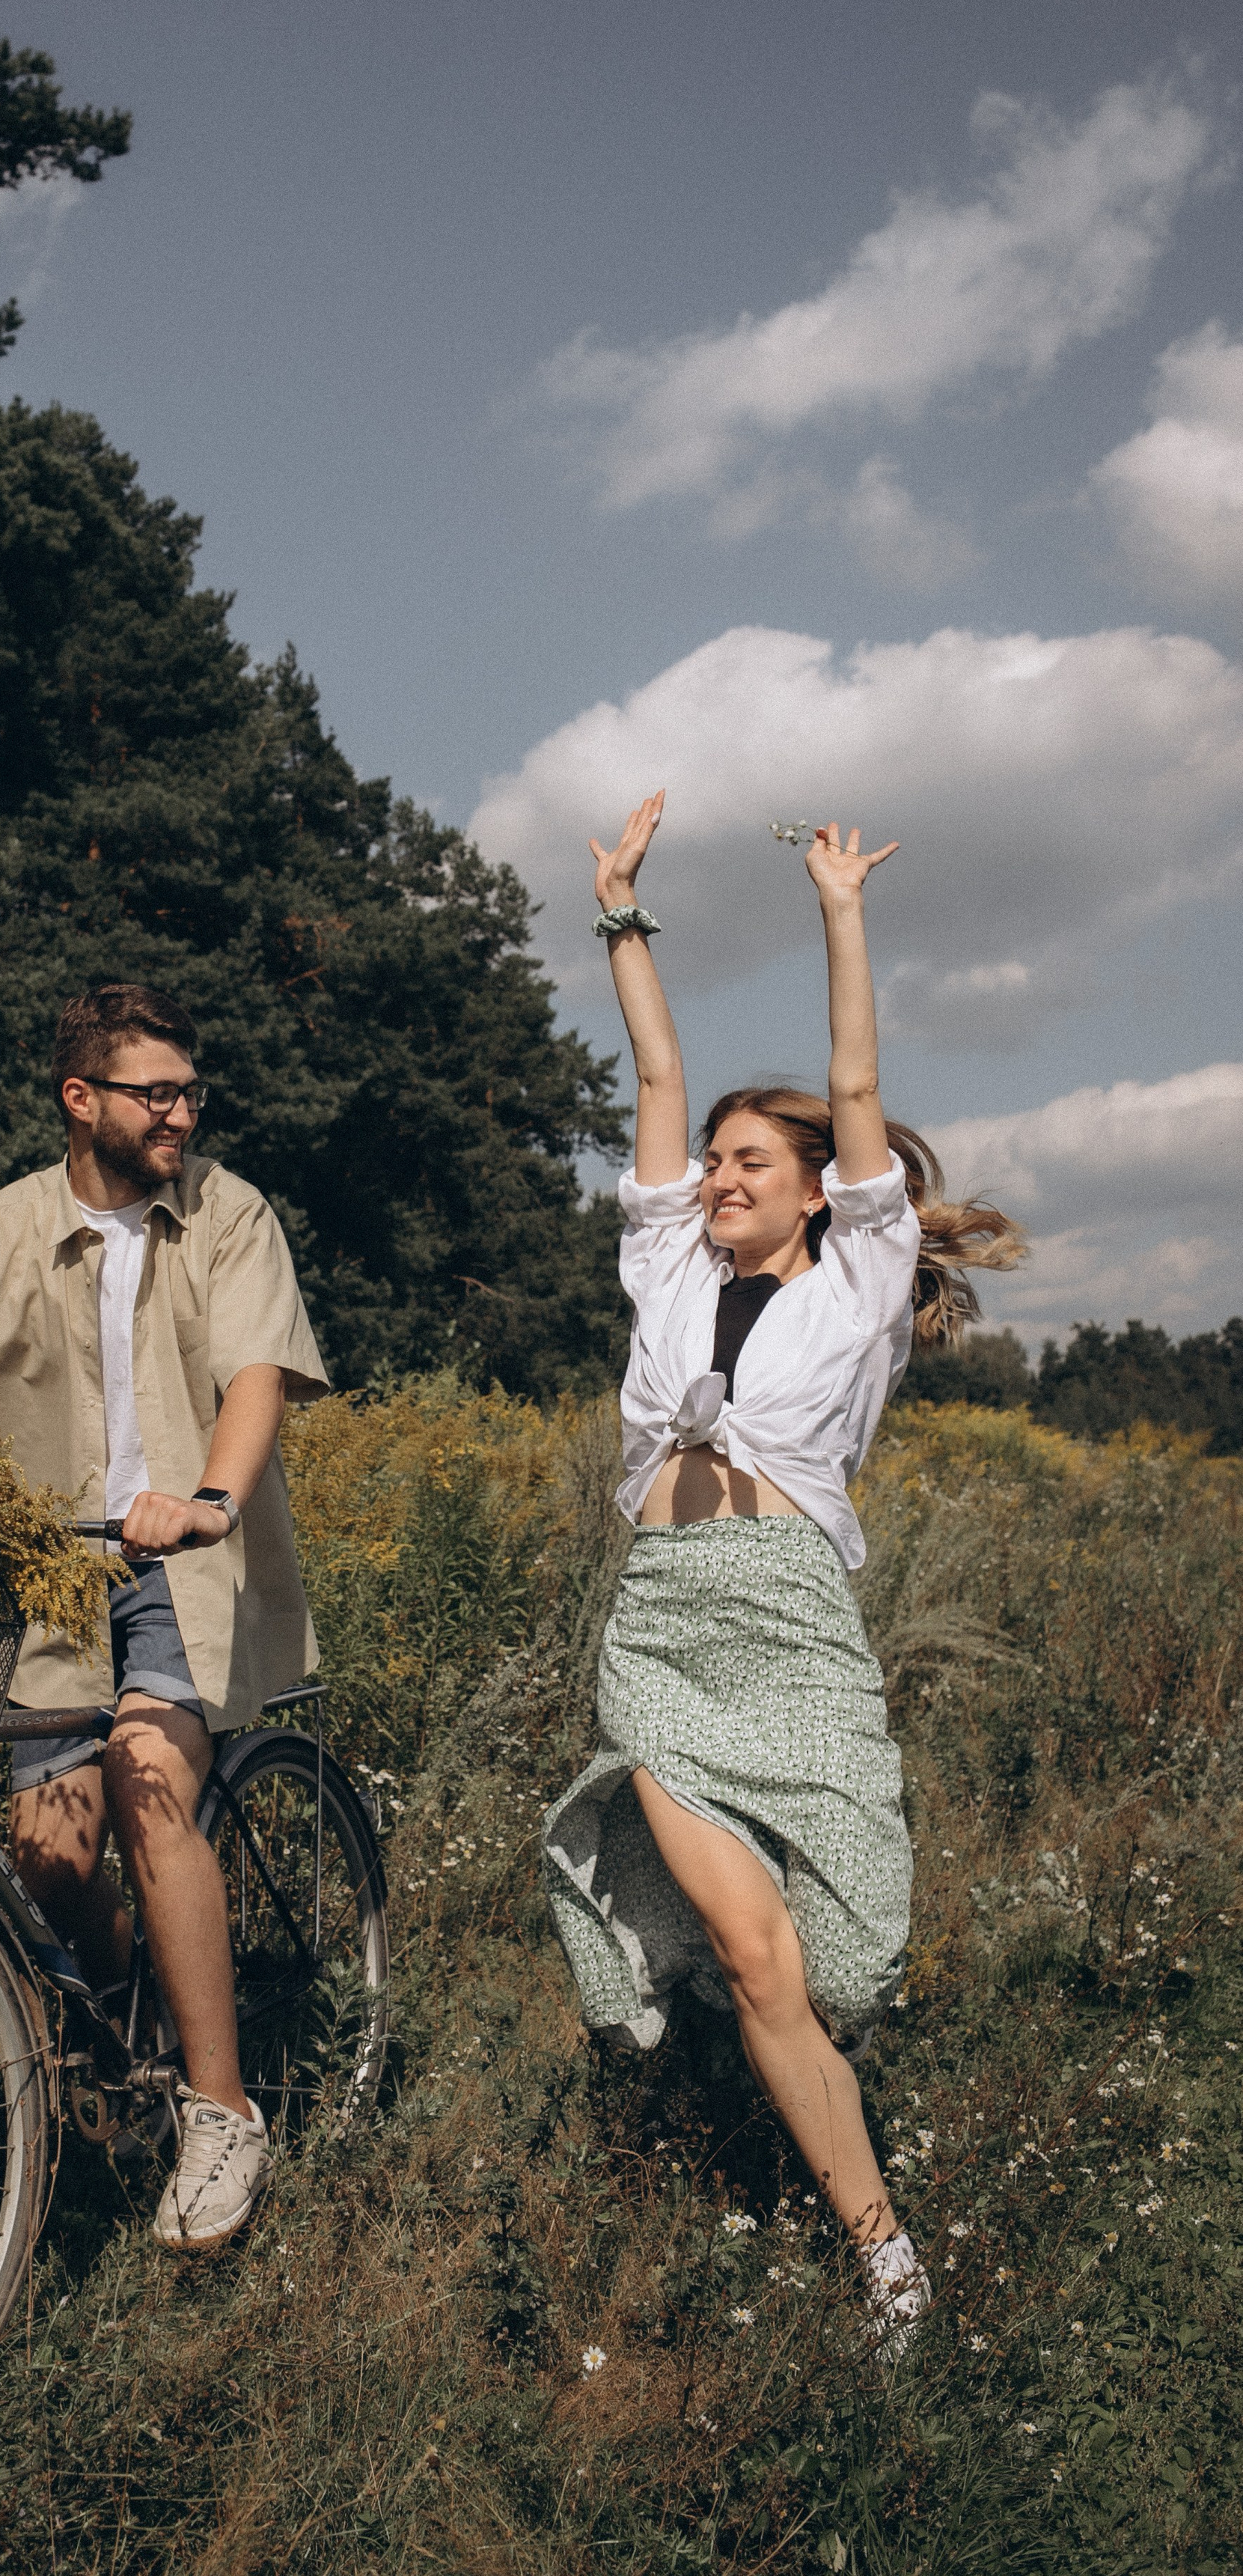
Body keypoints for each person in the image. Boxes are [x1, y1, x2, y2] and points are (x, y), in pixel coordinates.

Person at [542, 796, 1023, 2357]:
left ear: (818, 1187)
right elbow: (656, 1078)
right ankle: (885, 2260)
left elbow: (856, 1085)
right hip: (665, 1630)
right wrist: (621, 914)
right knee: (757, 1957)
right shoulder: (667, 1264)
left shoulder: (863, 1278)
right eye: (713, 1163)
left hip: (793, 1623)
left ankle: (808, 2141)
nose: (717, 1177)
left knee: (838, 1959)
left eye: (749, 1162)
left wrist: (838, 906)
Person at [0, 981, 329, 2254]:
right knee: (51, 1862)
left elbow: (255, 1377)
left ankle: (222, 2113)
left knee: (146, 1777)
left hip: (184, 1564)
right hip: (49, 1577)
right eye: (155, 1094)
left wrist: (209, 1499)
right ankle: (136, 2021)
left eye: (191, 1092)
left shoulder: (230, 1214)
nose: (181, 1114)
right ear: (81, 1100)